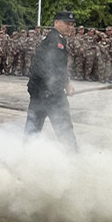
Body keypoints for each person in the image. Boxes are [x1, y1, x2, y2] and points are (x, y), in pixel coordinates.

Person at [24, 10, 78, 151]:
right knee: (64, 129)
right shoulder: (53, 41)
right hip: (48, 94)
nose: (70, 27)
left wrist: (66, 83)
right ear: (56, 23)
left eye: (72, 25)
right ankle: (73, 157)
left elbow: (59, 66)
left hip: (43, 93)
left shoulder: (58, 39)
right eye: (67, 24)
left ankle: (25, 155)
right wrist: (55, 88)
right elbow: (45, 67)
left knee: (33, 130)